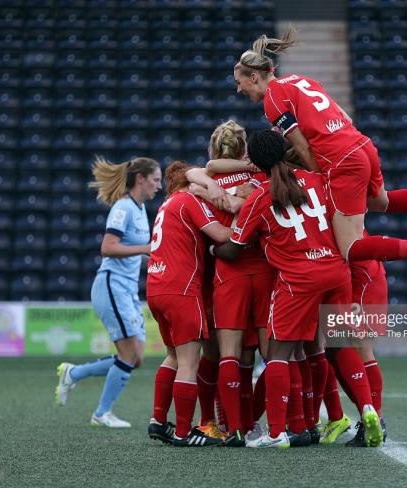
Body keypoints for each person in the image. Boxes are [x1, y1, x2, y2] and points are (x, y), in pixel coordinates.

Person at [233, 25, 407, 283]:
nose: (239, 90)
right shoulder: (302, 80)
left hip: (342, 161)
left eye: (239, 83)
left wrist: (317, 177)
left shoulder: (273, 99)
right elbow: (345, 117)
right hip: (362, 145)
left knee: (350, 248)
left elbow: (303, 147)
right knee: (380, 202)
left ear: (254, 77)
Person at [213, 129, 383, 448]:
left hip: (299, 279)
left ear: (256, 162)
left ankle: (277, 433)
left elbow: (234, 249)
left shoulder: (260, 196)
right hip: (336, 272)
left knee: (279, 352)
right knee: (337, 344)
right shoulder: (315, 179)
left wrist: (212, 250)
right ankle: (368, 410)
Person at [185, 120, 277, 446]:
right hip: (265, 269)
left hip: (227, 271)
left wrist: (213, 191)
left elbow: (195, 173)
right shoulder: (262, 176)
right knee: (271, 356)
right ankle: (262, 423)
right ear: (244, 149)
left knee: (229, 355)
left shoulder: (209, 179)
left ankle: (234, 428)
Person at [55, 157, 162, 428]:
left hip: (125, 289)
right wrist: (146, 249)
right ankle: (101, 413)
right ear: (141, 179)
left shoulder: (139, 209)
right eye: (156, 179)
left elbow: (134, 252)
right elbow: (108, 247)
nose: (158, 186)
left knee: (136, 358)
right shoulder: (123, 207)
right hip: (112, 286)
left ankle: (74, 373)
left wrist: (159, 260)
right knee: (130, 356)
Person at [146, 160, 233, 447]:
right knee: (189, 363)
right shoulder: (187, 201)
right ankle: (184, 432)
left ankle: (158, 421)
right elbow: (222, 235)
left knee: (172, 356)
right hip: (181, 290)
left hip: (156, 287)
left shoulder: (167, 204)